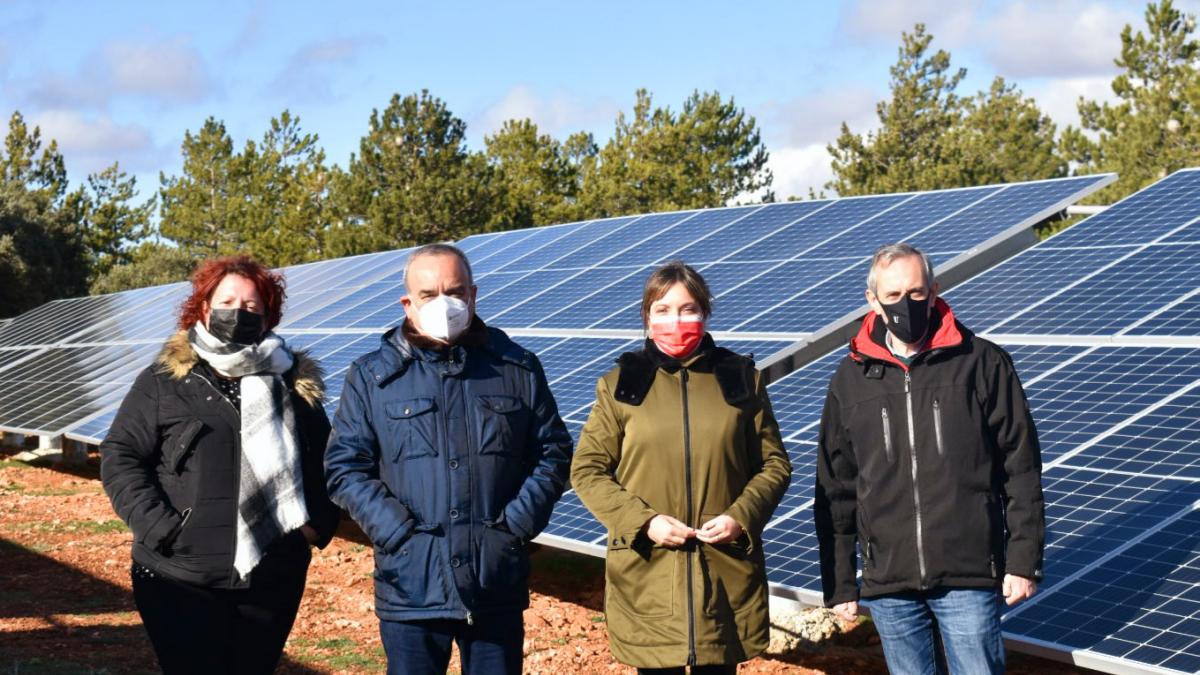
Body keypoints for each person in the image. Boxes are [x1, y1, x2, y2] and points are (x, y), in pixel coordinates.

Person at [324, 243, 573, 675]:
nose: (444, 303)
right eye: (428, 294)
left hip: (494, 581)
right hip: (411, 584)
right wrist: (398, 533)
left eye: (455, 291)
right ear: (407, 303)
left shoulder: (517, 368)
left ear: (473, 296)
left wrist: (513, 528)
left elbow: (552, 453)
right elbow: (346, 468)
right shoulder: (372, 377)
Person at [100, 255, 341, 675]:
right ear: (205, 308)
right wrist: (161, 527)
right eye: (227, 301)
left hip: (273, 575)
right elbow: (120, 454)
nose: (239, 312)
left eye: (251, 306)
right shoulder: (164, 380)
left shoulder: (295, 383)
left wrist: (314, 526)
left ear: (268, 314)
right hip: (179, 575)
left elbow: (328, 461)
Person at [814, 242, 1045, 674]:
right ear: (872, 299)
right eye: (894, 295)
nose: (907, 305)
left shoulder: (981, 363)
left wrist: (1022, 560)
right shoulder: (850, 380)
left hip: (968, 574)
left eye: (917, 294)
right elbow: (835, 489)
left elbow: (1021, 467)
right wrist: (842, 582)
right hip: (889, 582)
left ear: (935, 290)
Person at [571, 261, 792, 675]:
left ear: (705, 313)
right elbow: (587, 470)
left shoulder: (741, 379)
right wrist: (643, 521)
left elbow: (774, 464)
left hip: (723, 572)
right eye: (663, 309)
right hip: (648, 570)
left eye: (688, 309)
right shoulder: (621, 384)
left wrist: (740, 517)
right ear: (647, 317)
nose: (676, 320)